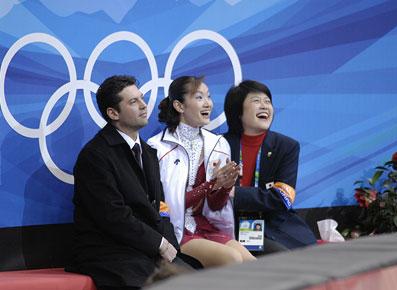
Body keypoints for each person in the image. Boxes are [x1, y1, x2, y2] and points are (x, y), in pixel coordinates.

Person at [66, 75, 196, 290]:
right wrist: (159, 244)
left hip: (145, 248)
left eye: (142, 98)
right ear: (113, 113)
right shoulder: (95, 156)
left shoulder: (148, 152)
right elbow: (113, 216)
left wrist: (169, 244)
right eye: (133, 102)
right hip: (109, 251)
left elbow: (160, 208)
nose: (144, 106)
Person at [148, 76, 255, 267]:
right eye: (199, 98)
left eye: (209, 97)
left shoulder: (218, 144)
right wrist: (211, 184)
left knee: (253, 265)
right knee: (232, 260)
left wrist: (223, 187)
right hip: (176, 230)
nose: (208, 104)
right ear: (179, 106)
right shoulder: (157, 148)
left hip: (207, 226)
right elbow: (168, 205)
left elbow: (215, 206)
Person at [223, 80, 317, 254]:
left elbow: (282, 198)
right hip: (230, 225)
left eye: (268, 101)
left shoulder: (287, 146)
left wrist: (235, 193)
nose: (265, 106)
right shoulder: (220, 145)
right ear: (238, 111)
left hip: (274, 225)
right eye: (256, 101)